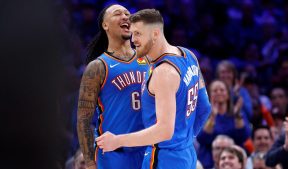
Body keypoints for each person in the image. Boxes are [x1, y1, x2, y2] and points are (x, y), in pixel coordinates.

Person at [96, 8, 211, 169]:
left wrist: (117, 141)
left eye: (138, 34)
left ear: (155, 34)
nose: (133, 39)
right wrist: (185, 140)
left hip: (163, 158)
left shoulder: (163, 73)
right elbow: (205, 107)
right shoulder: (188, 55)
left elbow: (164, 131)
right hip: (186, 155)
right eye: (132, 33)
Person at [77, 4, 148, 169]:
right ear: (105, 25)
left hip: (148, 151)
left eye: (127, 14)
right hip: (114, 155)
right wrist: (90, 164)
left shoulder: (149, 60)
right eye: (118, 14)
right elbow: (83, 120)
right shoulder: (98, 66)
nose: (125, 17)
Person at [197, 80, 251, 168]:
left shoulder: (237, 112)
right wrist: (213, 117)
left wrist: (237, 115)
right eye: (215, 91)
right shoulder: (203, 114)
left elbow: (243, 136)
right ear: (209, 95)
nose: (219, 92)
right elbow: (202, 139)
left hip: (233, 161)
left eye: (222, 90)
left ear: (228, 94)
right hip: (208, 162)